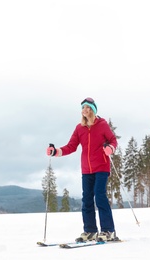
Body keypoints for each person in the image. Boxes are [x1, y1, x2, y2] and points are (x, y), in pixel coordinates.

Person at [46, 97, 119, 242]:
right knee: (86, 199)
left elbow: (113, 140)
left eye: (87, 107)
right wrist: (56, 151)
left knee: (99, 196)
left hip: (101, 167)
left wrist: (110, 148)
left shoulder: (102, 124)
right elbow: (71, 146)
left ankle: (108, 230)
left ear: (93, 110)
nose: (84, 110)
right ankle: (90, 231)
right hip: (86, 169)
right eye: (83, 108)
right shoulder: (80, 128)